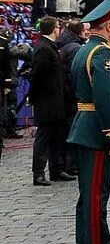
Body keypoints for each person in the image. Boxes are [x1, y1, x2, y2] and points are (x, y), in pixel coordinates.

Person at [68, 0, 110, 244]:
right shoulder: (103, 54)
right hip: (96, 130)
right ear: (108, 25)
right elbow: (105, 96)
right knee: (95, 196)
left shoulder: (84, 50)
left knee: (87, 195)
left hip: (84, 125)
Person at [30, 16, 71, 185]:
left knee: (57, 137)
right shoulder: (44, 49)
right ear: (55, 29)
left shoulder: (50, 47)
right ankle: (39, 172)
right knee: (44, 137)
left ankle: (56, 169)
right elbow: (37, 77)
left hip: (56, 102)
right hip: (47, 102)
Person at [57, 19, 87, 178]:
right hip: (71, 97)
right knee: (72, 131)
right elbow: (74, 75)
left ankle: (66, 164)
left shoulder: (64, 43)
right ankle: (71, 165)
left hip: (64, 96)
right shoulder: (75, 47)